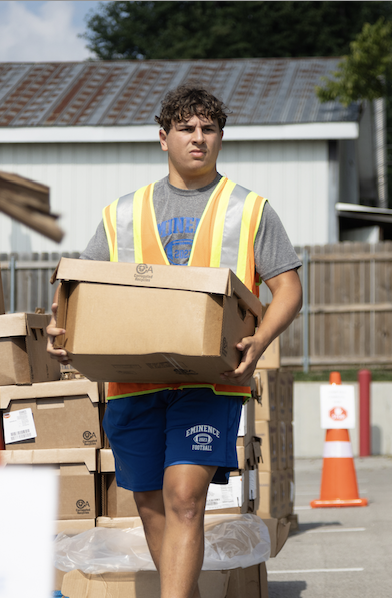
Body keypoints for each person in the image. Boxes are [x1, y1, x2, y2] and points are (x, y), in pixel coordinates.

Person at [47, 83, 302, 598]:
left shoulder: (249, 209)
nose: (198, 138)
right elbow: (77, 286)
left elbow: (289, 290)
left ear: (221, 139)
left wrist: (259, 342)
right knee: (150, 504)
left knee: (185, 496)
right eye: (186, 128)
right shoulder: (122, 213)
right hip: (133, 382)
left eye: (209, 129)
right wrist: (63, 328)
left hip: (212, 381)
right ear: (162, 138)